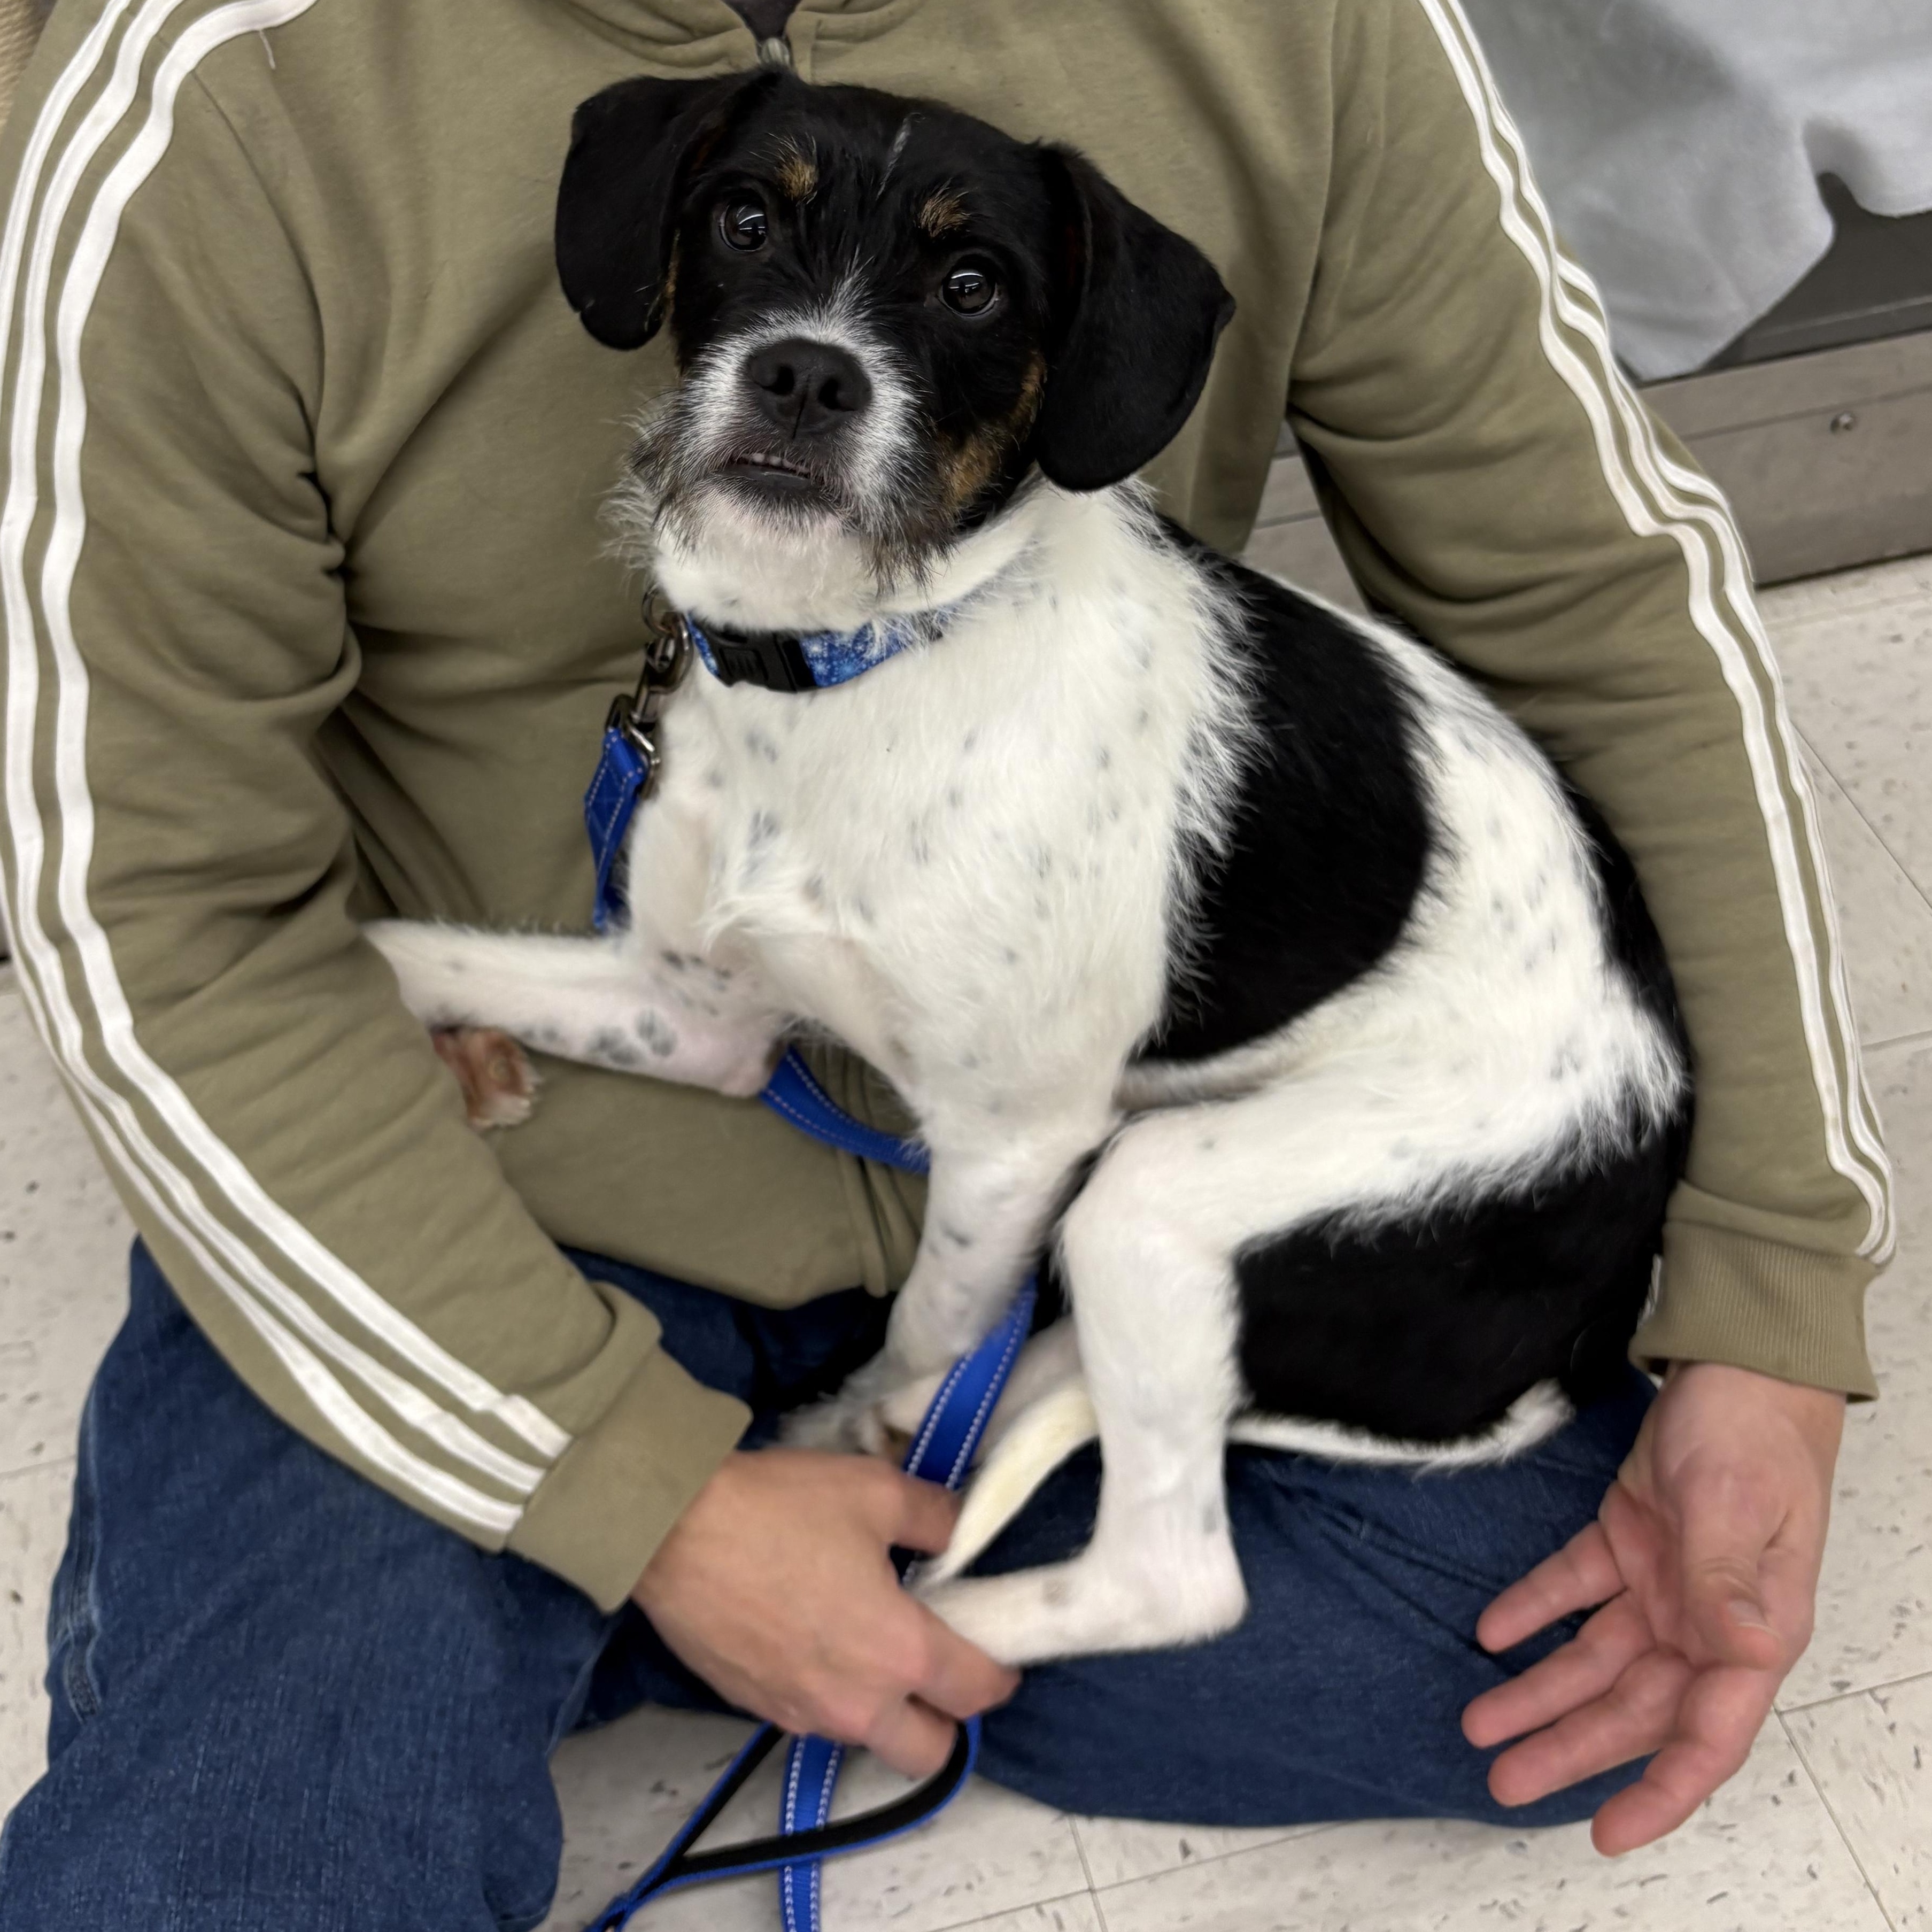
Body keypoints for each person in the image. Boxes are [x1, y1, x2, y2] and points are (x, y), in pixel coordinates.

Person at [0, 0, 1885, 1923]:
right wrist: (636, 1492)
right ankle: (597, 1586)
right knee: (223, 1880)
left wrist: (1771, 1287)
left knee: (1575, 1673)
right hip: (503, 1218)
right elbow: (147, 903)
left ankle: (590, 1621)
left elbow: (1592, 598)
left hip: (1081, 1175)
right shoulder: (218, 85)